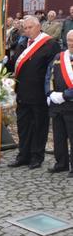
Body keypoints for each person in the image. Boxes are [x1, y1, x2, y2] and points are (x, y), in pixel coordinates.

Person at [8, 16, 60, 169]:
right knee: (23, 126)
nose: (27, 30)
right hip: (22, 94)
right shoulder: (22, 43)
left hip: (39, 94)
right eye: (25, 28)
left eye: (30, 27)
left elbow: (52, 72)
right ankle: (23, 155)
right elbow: (15, 64)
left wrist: (50, 92)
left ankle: (37, 156)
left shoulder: (50, 44)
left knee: (39, 126)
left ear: (38, 27)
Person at [45, 29, 73, 176]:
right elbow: (49, 76)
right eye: (69, 40)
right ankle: (61, 163)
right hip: (57, 104)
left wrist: (65, 95)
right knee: (59, 136)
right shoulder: (59, 56)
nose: (71, 43)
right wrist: (50, 93)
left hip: (70, 103)